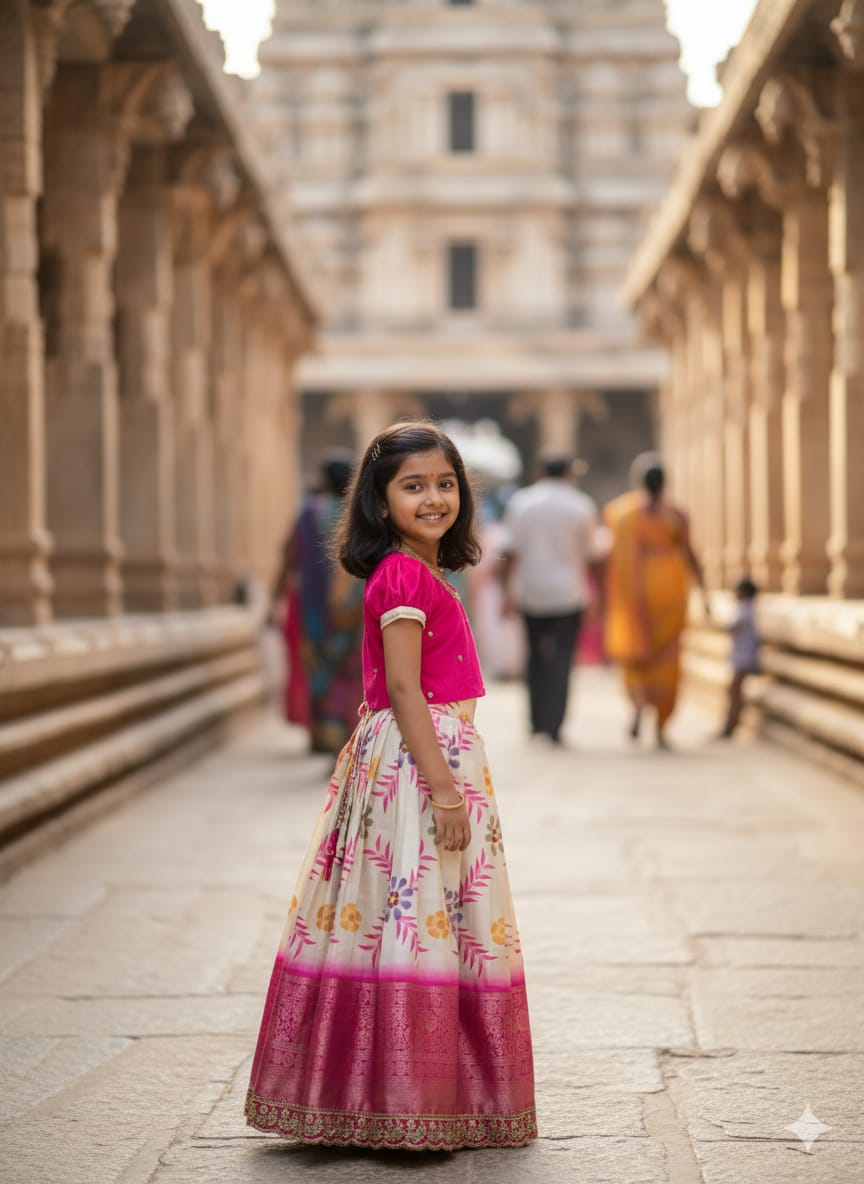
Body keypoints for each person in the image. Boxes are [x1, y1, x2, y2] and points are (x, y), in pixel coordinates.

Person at [246, 421, 537, 1151]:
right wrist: (442, 792)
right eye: (413, 486)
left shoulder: (418, 569)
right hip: (417, 762)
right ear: (380, 501)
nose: (434, 497)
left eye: (445, 483)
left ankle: (395, 1094)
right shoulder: (405, 574)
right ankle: (408, 1100)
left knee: (402, 920)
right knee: (416, 920)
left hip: (415, 756)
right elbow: (404, 688)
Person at [604, 453, 708, 749]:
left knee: (637, 654)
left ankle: (638, 705)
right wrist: (706, 593)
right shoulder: (675, 514)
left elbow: (613, 559)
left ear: (638, 482)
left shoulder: (622, 514)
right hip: (671, 591)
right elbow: (691, 555)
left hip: (637, 592)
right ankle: (661, 727)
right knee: (667, 657)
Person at [500, 453, 598, 744]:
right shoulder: (581, 505)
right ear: (569, 473)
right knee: (562, 659)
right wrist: (597, 596)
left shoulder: (521, 503)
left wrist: (506, 592)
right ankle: (555, 723)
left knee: (534, 657)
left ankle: (536, 721)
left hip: (531, 591)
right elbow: (592, 555)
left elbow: (510, 552)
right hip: (568, 593)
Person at [270, 452, 364, 754]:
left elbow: (289, 557)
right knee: (349, 670)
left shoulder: (309, 512)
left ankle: (322, 733)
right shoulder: (359, 512)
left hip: (313, 610)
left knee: (317, 668)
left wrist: (274, 600)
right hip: (354, 607)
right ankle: (347, 732)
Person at [720, 576, 760, 738]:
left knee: (734, 692)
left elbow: (730, 626)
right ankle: (731, 723)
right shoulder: (748, 609)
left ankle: (731, 724)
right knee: (734, 691)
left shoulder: (745, 609)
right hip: (743, 656)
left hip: (743, 658)